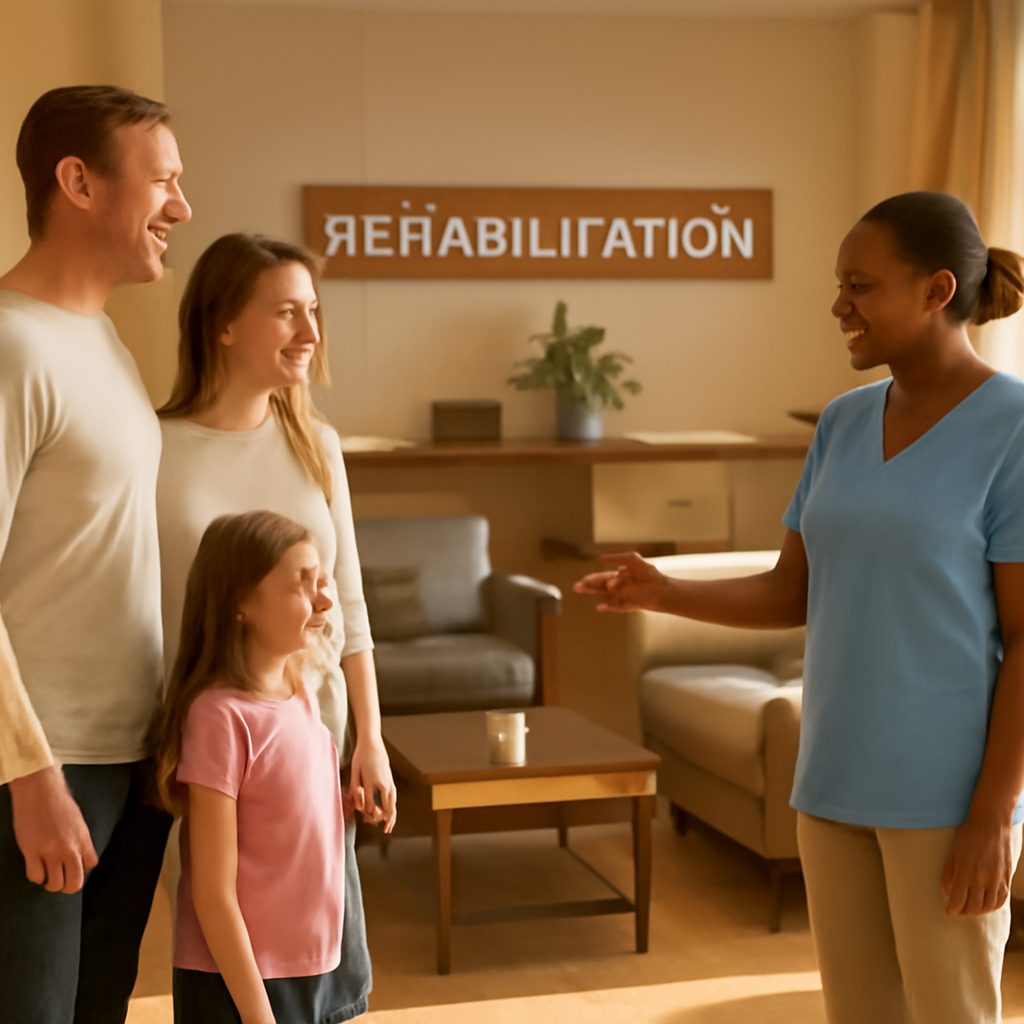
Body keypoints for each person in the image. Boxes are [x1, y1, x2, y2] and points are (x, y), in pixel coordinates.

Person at [575, 191, 1024, 1024]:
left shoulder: (1014, 428)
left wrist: (995, 813)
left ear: (935, 291)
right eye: (838, 283)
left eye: (860, 284)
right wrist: (664, 590)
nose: (838, 306)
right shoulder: (843, 424)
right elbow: (796, 590)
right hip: (831, 779)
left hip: (946, 795)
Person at [156, 233, 396, 1019]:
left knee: (324, 971)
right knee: (230, 947)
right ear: (223, 323)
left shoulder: (317, 445)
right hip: (218, 748)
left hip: (313, 745)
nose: (310, 332)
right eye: (287, 311)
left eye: (314, 312)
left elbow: (352, 605)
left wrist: (371, 738)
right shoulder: (154, 449)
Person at [0, 85, 191, 1021]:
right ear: (77, 181)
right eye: (163, 181)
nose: (182, 209)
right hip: (41, 772)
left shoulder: (105, 341)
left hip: (128, 760)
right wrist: (28, 777)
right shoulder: (9, 345)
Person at [152, 510, 348, 1024]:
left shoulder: (300, 690)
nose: (324, 599)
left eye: (322, 580)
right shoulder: (218, 717)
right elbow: (212, 893)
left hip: (309, 966)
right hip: (239, 983)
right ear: (241, 603)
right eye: (302, 584)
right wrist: (258, 1016)